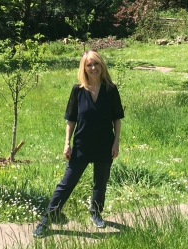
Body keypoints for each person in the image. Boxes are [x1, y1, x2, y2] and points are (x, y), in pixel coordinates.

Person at [33, 50, 124, 237]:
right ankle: (47, 219)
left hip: (105, 143)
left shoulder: (111, 89)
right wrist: (67, 143)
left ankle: (96, 213)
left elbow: (117, 118)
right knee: (66, 183)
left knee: (101, 182)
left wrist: (116, 141)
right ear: (84, 68)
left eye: (96, 64)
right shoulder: (78, 90)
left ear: (102, 65)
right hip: (82, 143)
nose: (93, 68)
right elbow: (71, 119)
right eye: (89, 65)